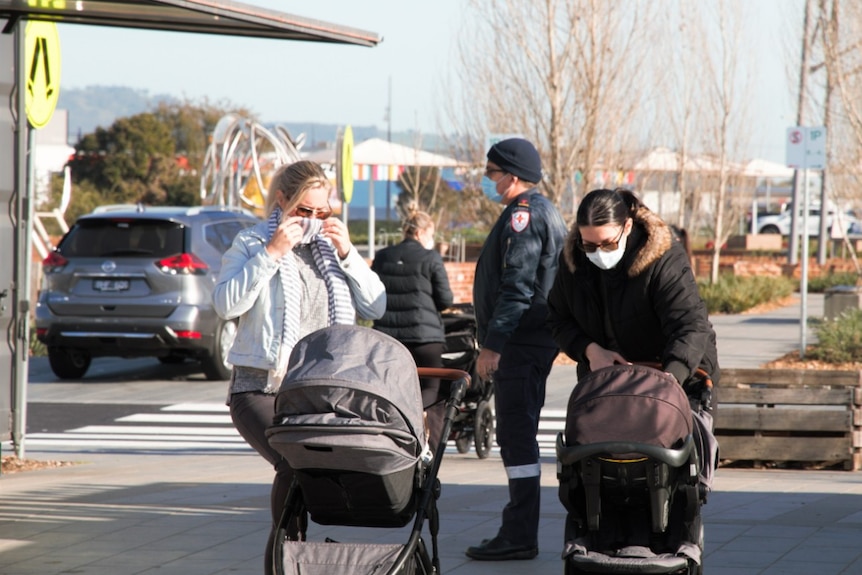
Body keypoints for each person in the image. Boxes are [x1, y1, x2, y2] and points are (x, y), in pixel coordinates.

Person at [212, 160, 386, 575]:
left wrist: (348, 253)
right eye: (302, 212)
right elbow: (225, 304)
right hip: (260, 389)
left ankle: (299, 560)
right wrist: (271, 254)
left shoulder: (331, 253)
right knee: (294, 462)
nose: (311, 221)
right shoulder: (253, 242)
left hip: (317, 392)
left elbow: (375, 305)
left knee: (312, 471)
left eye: (321, 213)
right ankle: (285, 562)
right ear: (282, 202)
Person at [546, 187, 719, 487]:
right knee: (601, 472)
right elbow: (557, 318)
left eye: (607, 243)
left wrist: (668, 380)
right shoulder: (573, 260)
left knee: (672, 479)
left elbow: (690, 326)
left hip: (674, 374)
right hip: (607, 379)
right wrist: (590, 350)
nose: (598, 253)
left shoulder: (663, 257)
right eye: (590, 245)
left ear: (627, 226)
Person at [465, 137, 567, 561]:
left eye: (492, 172)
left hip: (520, 344)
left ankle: (520, 533)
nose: (488, 179)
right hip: (530, 342)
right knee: (517, 434)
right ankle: (518, 528)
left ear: (512, 174)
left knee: (516, 436)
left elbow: (517, 288)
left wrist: (492, 346)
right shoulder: (540, 211)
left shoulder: (523, 216)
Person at [371, 208, 454, 453]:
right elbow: (446, 299)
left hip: (389, 339)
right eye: (431, 233)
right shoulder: (430, 258)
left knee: (393, 388)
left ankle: (395, 433)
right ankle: (425, 428)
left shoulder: (383, 256)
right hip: (425, 339)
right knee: (431, 388)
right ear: (420, 232)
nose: (432, 238)